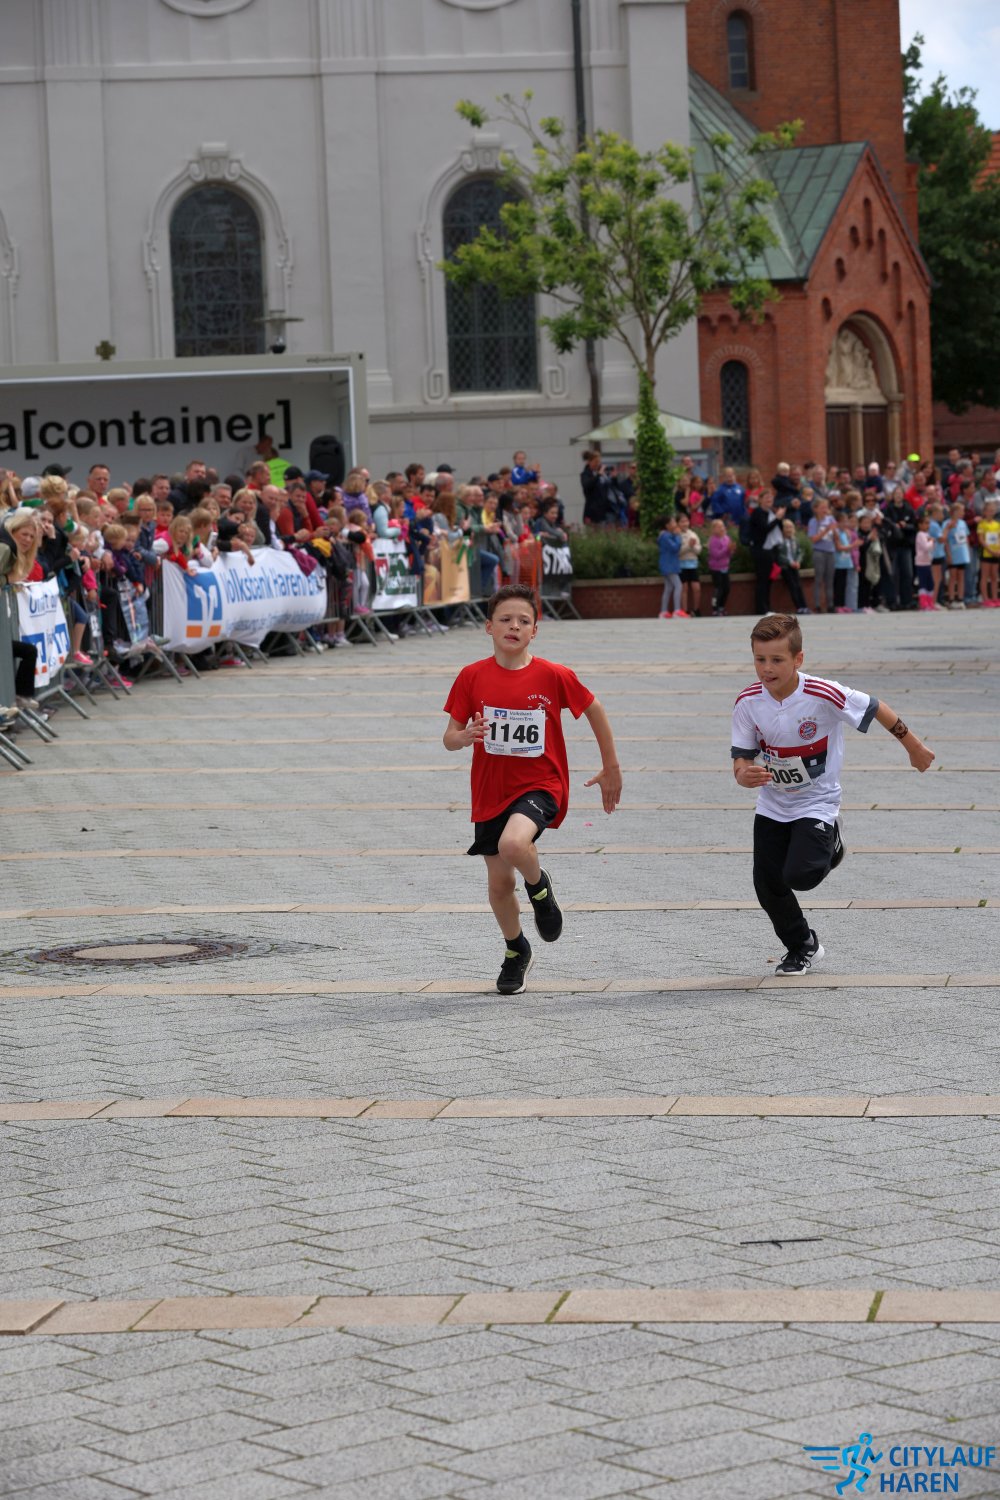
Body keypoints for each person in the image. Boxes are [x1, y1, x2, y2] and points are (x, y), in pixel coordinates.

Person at [442, 584, 622, 995]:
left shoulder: (553, 675)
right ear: (489, 627)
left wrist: (611, 766)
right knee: (499, 884)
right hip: (490, 791)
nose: (514, 626)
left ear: (535, 631)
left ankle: (539, 888)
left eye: (524, 621)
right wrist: (464, 736)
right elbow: (449, 737)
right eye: (505, 619)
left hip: (542, 784)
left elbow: (594, 708)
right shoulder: (471, 676)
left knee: (513, 844)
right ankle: (516, 949)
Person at [731, 613, 934, 975]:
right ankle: (802, 946)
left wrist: (914, 746)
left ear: (798, 659)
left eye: (777, 659)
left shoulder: (823, 693)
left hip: (817, 802)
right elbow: (742, 757)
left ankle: (832, 842)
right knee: (767, 883)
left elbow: (876, 708)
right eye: (760, 659)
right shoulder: (748, 701)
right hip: (773, 805)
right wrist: (743, 774)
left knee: (801, 876)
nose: (767, 668)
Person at [807, 498, 837, 613]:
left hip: (830, 551)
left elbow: (836, 536)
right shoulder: (813, 521)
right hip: (819, 551)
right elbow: (813, 539)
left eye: (826, 507)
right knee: (819, 579)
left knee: (830, 579)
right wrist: (826, 530)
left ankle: (830, 605)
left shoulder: (831, 519)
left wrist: (835, 531)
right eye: (822, 507)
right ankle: (817, 605)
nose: (825, 510)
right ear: (816, 509)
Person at [942, 501, 970, 609]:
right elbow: (945, 541)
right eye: (961, 511)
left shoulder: (963, 523)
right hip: (953, 553)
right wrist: (948, 554)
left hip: (962, 553)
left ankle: (960, 598)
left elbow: (966, 538)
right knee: (953, 576)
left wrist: (967, 551)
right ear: (954, 512)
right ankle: (951, 598)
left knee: (961, 576)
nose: (963, 513)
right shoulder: (947, 523)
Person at [707, 518, 734, 616]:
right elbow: (716, 554)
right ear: (714, 529)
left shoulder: (727, 538)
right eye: (719, 527)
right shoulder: (713, 540)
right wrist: (726, 548)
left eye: (722, 526)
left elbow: (729, 554)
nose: (722, 528)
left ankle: (722, 607)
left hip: (725, 567)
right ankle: (715, 608)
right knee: (718, 588)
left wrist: (731, 550)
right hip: (716, 568)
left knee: (726, 588)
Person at [658, 515, 682, 618]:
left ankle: (664, 611)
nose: (675, 524)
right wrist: (678, 536)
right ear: (667, 525)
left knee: (668, 587)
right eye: (673, 522)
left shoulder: (666, 535)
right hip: (669, 564)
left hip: (668, 563)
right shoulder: (666, 536)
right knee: (678, 585)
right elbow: (675, 547)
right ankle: (677, 610)